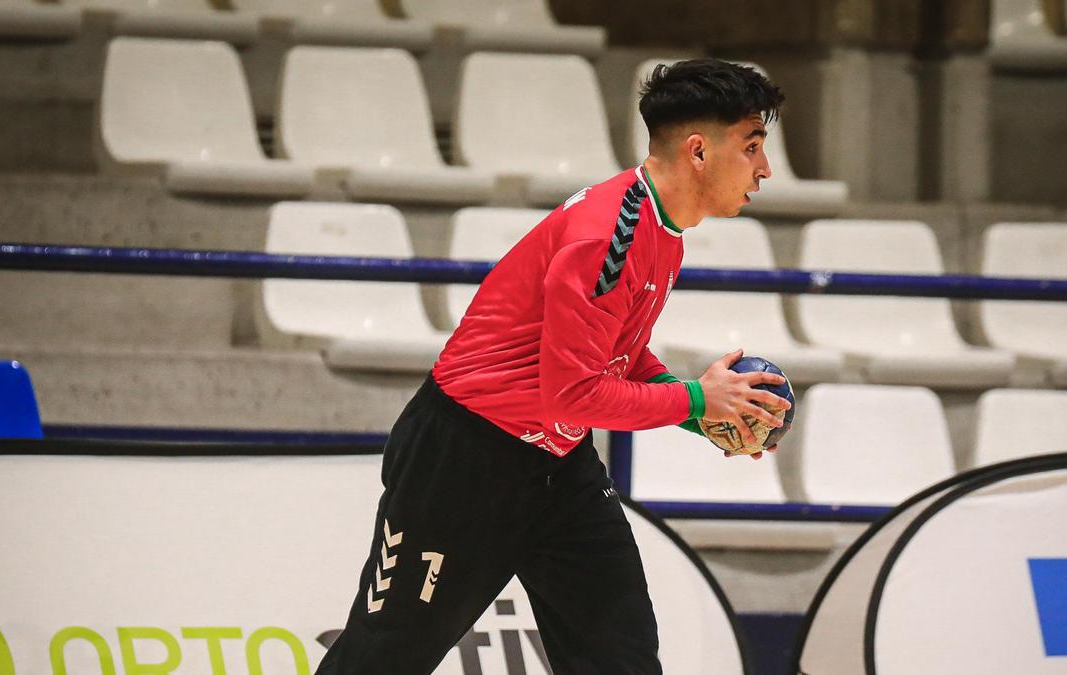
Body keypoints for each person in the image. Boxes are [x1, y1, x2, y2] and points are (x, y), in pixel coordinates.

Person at [315, 58, 792, 675]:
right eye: (752, 146)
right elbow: (575, 392)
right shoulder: (609, 236)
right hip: (465, 460)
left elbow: (614, 357)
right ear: (698, 151)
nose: (764, 168)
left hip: (557, 467)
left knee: (619, 656)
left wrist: (702, 413)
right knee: (382, 658)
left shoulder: (661, 228)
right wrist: (697, 400)